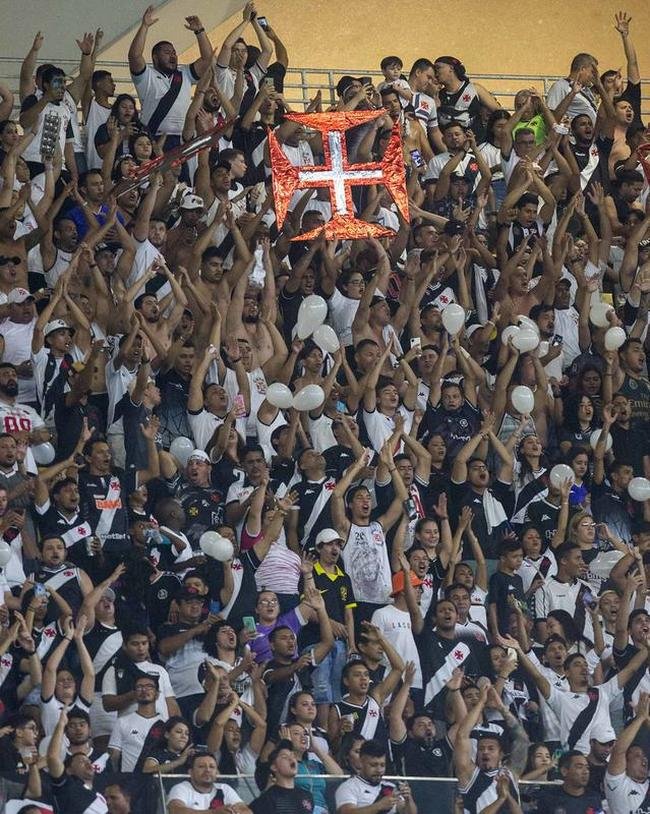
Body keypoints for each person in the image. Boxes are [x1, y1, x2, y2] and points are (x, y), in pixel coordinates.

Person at [335, 740, 417, 814]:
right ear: (361, 762)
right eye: (373, 765)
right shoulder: (348, 787)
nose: (379, 770)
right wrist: (379, 806)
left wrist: (408, 799)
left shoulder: (390, 788)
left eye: (382, 765)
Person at [167, 751, 252, 814]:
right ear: (191, 772)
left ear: (216, 772)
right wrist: (213, 812)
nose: (207, 770)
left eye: (212, 767)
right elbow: (176, 811)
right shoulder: (181, 788)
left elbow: (246, 811)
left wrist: (236, 811)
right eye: (201, 766)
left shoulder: (224, 788)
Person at [535, 751, 603, 814]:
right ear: (564, 771)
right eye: (579, 767)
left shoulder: (594, 798)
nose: (586, 772)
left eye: (587, 767)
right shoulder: (549, 798)